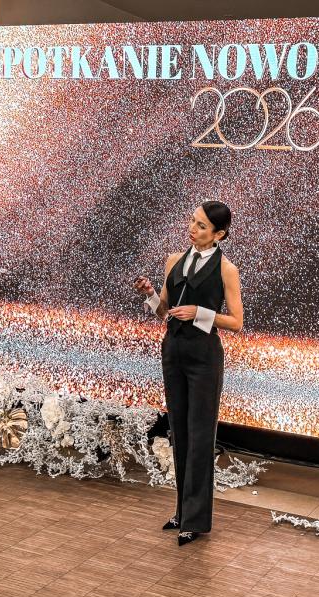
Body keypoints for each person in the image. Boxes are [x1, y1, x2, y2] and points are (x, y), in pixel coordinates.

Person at [134, 201, 243, 546]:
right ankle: (182, 511)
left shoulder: (226, 269)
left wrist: (200, 312)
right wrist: (151, 295)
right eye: (193, 222)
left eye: (202, 226)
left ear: (219, 234)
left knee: (200, 436)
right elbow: (165, 311)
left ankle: (195, 520)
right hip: (173, 352)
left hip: (203, 357)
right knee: (179, 432)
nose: (193, 229)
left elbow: (236, 322)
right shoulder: (174, 260)